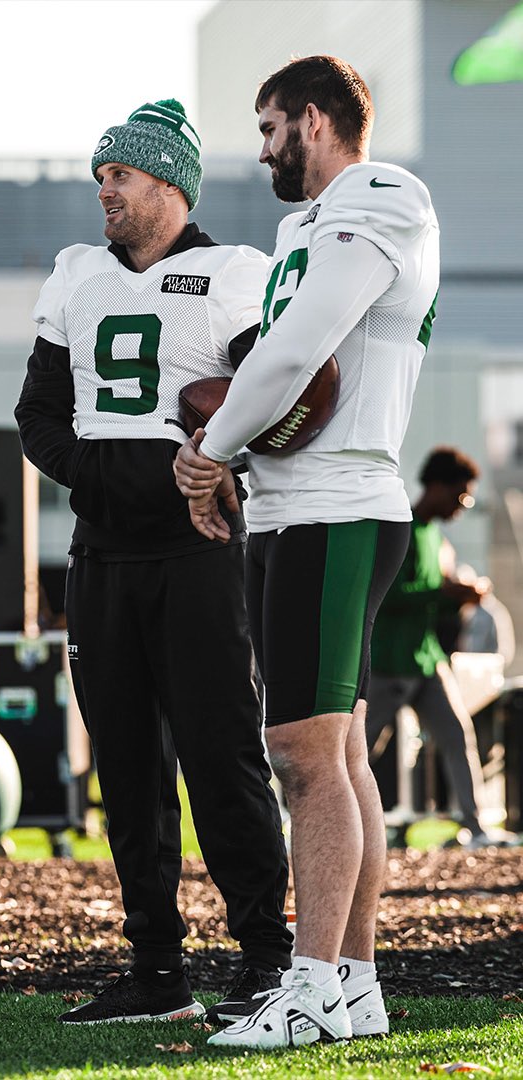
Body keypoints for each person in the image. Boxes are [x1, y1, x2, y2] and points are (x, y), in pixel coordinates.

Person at [175, 56, 440, 1048]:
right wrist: (223, 460)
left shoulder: (380, 193)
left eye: (271, 126)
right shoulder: (301, 228)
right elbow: (268, 362)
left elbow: (299, 351)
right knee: (337, 757)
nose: (262, 147)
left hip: (341, 504)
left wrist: (210, 450)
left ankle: (314, 986)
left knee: (302, 757)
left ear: (316, 120)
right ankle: (356, 984)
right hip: (291, 508)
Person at [15, 98, 292, 1027]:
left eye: (120, 176)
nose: (105, 192)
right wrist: (107, 472)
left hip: (199, 548)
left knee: (222, 760)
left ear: (169, 186)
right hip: (101, 554)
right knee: (126, 771)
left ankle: (265, 958)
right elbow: (38, 416)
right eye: (101, 177)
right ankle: (156, 969)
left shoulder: (234, 272)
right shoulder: (77, 274)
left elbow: (272, 402)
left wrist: (218, 461)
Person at [367, 447, 507, 847]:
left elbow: (433, 593)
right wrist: (446, 592)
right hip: (390, 662)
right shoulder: (400, 529)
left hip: (427, 660)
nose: (463, 506)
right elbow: (388, 594)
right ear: (438, 487)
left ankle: (477, 829)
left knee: (457, 738)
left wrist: (457, 594)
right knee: (356, 752)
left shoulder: (435, 537)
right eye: (460, 496)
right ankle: (326, 829)